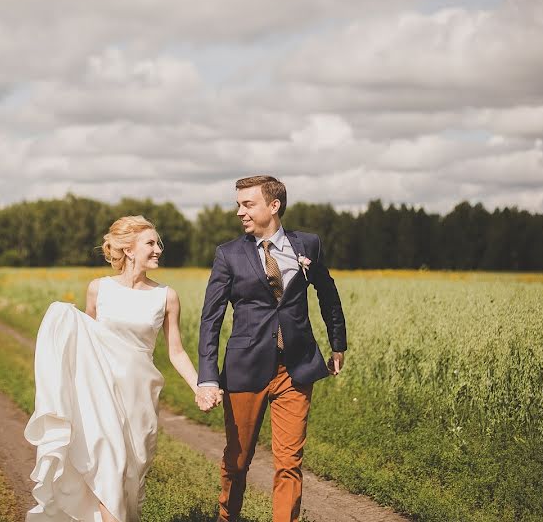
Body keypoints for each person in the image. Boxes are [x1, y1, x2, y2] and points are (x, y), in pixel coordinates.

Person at [24, 215, 216, 522]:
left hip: (139, 396)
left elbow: (176, 351)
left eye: (158, 243)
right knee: (109, 469)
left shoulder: (166, 297)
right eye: (151, 243)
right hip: (99, 393)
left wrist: (200, 387)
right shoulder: (98, 290)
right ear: (128, 250)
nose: (158, 250)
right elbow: (84, 338)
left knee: (129, 476)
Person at [197, 175, 348, 522]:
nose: (239, 212)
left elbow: (328, 294)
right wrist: (208, 377)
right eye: (238, 205)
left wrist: (337, 343)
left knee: (289, 463)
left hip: (295, 369)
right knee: (237, 461)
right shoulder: (228, 254)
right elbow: (211, 320)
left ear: (274, 205)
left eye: (247, 204)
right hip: (245, 370)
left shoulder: (307, 245)